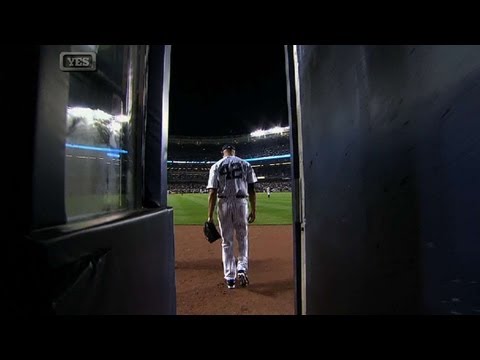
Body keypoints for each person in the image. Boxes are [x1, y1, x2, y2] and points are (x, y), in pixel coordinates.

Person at [206, 144, 257, 289]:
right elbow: (252, 189)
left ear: (223, 152)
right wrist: (253, 210)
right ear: (234, 151)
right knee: (243, 239)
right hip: (241, 202)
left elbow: (212, 192)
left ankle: (230, 278)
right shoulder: (245, 164)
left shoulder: (216, 165)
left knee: (226, 242)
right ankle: (242, 269)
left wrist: (209, 217)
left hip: (224, 203)